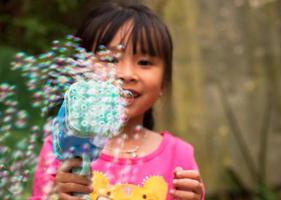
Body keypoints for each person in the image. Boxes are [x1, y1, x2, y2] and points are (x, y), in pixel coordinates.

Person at [30, 2, 205, 200]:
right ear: (81, 71)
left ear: (164, 83)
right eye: (111, 59)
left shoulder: (179, 156)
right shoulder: (61, 149)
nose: (126, 74)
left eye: (144, 63)